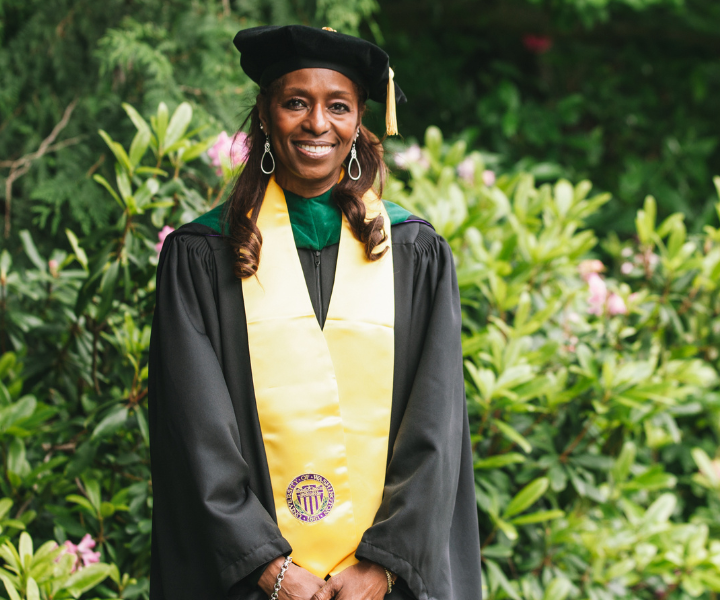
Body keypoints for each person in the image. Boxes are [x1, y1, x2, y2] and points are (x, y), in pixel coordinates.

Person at [147, 25, 481, 600]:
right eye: (296, 102)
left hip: (384, 586)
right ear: (265, 114)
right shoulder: (203, 255)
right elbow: (193, 431)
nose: (317, 124)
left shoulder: (413, 251)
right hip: (252, 584)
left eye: (338, 106)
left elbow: (437, 423)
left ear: (358, 122)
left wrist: (382, 565)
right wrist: (271, 568)